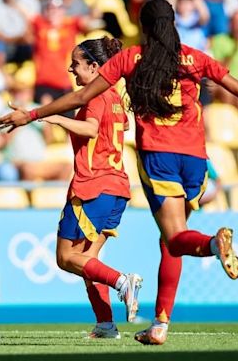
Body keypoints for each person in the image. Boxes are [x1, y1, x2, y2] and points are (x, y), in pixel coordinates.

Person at [0, 0, 238, 345]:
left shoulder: (132, 58)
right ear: (173, 24)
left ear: (143, 26)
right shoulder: (195, 58)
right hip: (197, 160)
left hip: (159, 158)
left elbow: (80, 99)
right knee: (170, 241)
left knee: (173, 238)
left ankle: (215, 244)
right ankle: (160, 324)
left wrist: (33, 115)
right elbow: (234, 86)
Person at [41, 37, 142, 338]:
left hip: (92, 186)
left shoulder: (94, 96)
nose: (71, 70)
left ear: (94, 66)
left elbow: (91, 129)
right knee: (88, 263)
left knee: (66, 257)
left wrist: (57, 118)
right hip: (117, 188)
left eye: (75, 64)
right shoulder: (113, 96)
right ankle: (106, 324)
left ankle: (123, 281)